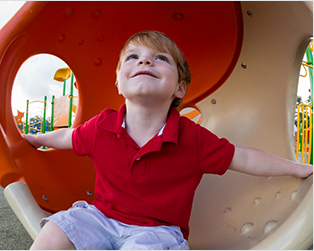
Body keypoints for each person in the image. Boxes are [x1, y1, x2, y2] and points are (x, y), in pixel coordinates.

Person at [23, 30, 312, 250]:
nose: (145, 60)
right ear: (119, 82)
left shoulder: (191, 138)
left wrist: (297, 167)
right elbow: (68, 137)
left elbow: (244, 157)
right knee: (59, 228)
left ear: (179, 87)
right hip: (101, 218)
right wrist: (36, 138)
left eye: (160, 58)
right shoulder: (103, 126)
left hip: (158, 231)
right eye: (132, 57)